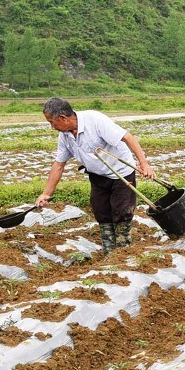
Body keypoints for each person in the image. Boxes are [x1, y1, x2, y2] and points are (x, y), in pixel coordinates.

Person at [35, 98, 156, 255]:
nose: (52, 127)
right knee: (102, 213)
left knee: (122, 212)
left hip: (121, 173)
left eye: (51, 122)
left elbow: (127, 137)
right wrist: (46, 193)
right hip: (97, 176)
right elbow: (59, 164)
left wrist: (144, 164)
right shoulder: (65, 135)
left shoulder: (95, 120)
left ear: (63, 118)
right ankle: (109, 252)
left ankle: (123, 254)